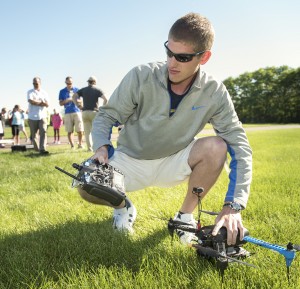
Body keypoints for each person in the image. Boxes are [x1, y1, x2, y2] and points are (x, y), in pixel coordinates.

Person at [78, 13, 252, 246]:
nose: (171, 63)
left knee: (216, 146)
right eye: (169, 52)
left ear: (204, 57)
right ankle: (123, 207)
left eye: (182, 57)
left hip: (175, 161)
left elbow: (239, 144)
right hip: (130, 160)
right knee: (86, 181)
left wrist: (233, 206)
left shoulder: (214, 91)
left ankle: (184, 217)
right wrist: (101, 146)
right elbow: (107, 115)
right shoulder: (141, 75)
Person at [73, 76, 108, 151]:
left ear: (88, 82)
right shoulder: (97, 89)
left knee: (87, 132)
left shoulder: (83, 90)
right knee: (96, 131)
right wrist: (101, 109)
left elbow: (74, 96)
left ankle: (90, 148)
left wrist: (78, 106)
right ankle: (97, 147)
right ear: (95, 82)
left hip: (85, 112)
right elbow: (106, 99)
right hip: (94, 112)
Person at [59, 76, 84, 149]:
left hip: (77, 111)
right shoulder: (62, 91)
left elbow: (81, 100)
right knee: (70, 130)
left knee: (80, 130)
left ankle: (80, 144)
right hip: (67, 112)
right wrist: (67, 100)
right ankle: (72, 145)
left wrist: (74, 99)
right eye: (68, 83)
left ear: (72, 82)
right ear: (65, 82)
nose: (69, 84)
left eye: (70, 83)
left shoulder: (77, 90)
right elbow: (60, 103)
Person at [27, 77, 50, 155]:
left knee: (43, 131)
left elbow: (47, 104)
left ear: (40, 83)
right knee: (34, 135)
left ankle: (42, 149)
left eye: (36, 83)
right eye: (34, 83)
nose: (35, 85)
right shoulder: (30, 92)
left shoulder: (44, 93)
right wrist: (41, 102)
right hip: (32, 116)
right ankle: (37, 149)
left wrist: (38, 102)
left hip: (42, 116)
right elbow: (31, 101)